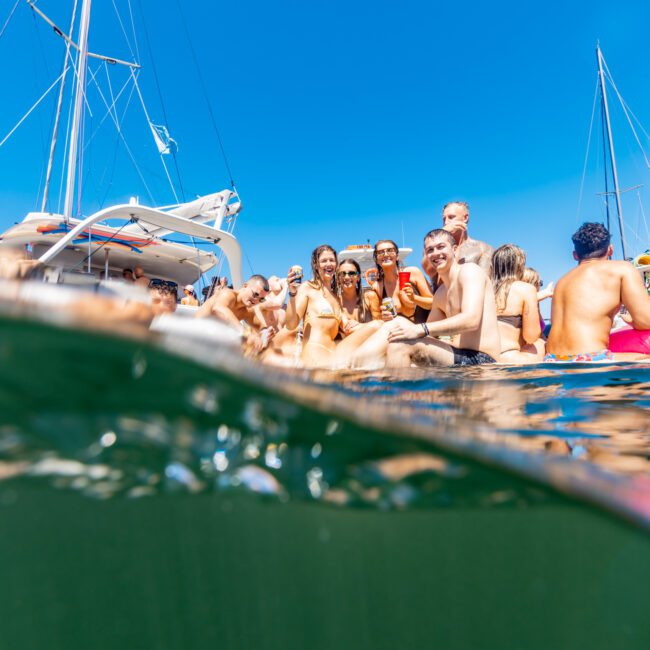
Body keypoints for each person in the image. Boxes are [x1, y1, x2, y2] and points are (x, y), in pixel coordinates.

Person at [353, 229, 501, 368]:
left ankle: (393, 393)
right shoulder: (441, 293)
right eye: (430, 250)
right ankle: (356, 367)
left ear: (455, 249)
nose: (436, 253)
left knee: (401, 345)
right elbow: (430, 334)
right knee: (397, 325)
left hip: (482, 360)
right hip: (458, 355)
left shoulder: (469, 271)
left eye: (441, 247)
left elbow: (471, 320)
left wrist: (420, 328)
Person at [546, 222, 650, 362]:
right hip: (590, 358)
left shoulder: (562, 281)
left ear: (575, 255)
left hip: (552, 360)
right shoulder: (622, 269)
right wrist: (632, 322)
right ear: (610, 249)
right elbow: (646, 321)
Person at [285, 245, 378, 368]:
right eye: (324, 261)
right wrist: (292, 294)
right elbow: (291, 325)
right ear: (316, 264)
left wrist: (368, 326)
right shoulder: (308, 288)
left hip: (334, 355)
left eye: (332, 260)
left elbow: (348, 327)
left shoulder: (335, 298)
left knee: (380, 325)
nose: (328, 264)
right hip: (315, 354)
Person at [491, 244, 545, 363]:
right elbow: (531, 337)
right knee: (540, 344)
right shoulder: (526, 289)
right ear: (519, 266)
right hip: (508, 359)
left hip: (481, 359)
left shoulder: (483, 290)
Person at [196, 274, 273, 352]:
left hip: (210, 343)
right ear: (245, 286)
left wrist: (266, 333)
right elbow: (218, 308)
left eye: (261, 299)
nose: (256, 300)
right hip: (195, 335)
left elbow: (261, 327)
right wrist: (246, 333)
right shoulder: (228, 294)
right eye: (255, 294)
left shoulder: (247, 311)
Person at [370, 239, 432, 322]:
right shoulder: (377, 287)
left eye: (390, 250)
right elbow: (377, 318)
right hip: (399, 331)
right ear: (377, 259)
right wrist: (384, 317)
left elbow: (433, 303)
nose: (385, 254)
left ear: (397, 256)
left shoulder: (413, 273)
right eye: (380, 252)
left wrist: (414, 298)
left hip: (423, 329)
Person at [441, 201, 493, 276]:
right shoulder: (437, 251)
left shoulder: (482, 248)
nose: (446, 222)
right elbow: (428, 270)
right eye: (444, 219)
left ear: (465, 218)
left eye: (451, 217)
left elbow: (485, 281)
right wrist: (442, 233)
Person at [337, 258, 381, 333]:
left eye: (351, 273)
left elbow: (380, 325)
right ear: (338, 278)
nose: (347, 277)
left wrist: (360, 326)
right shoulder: (335, 301)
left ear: (358, 277)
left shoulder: (369, 297)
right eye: (342, 273)